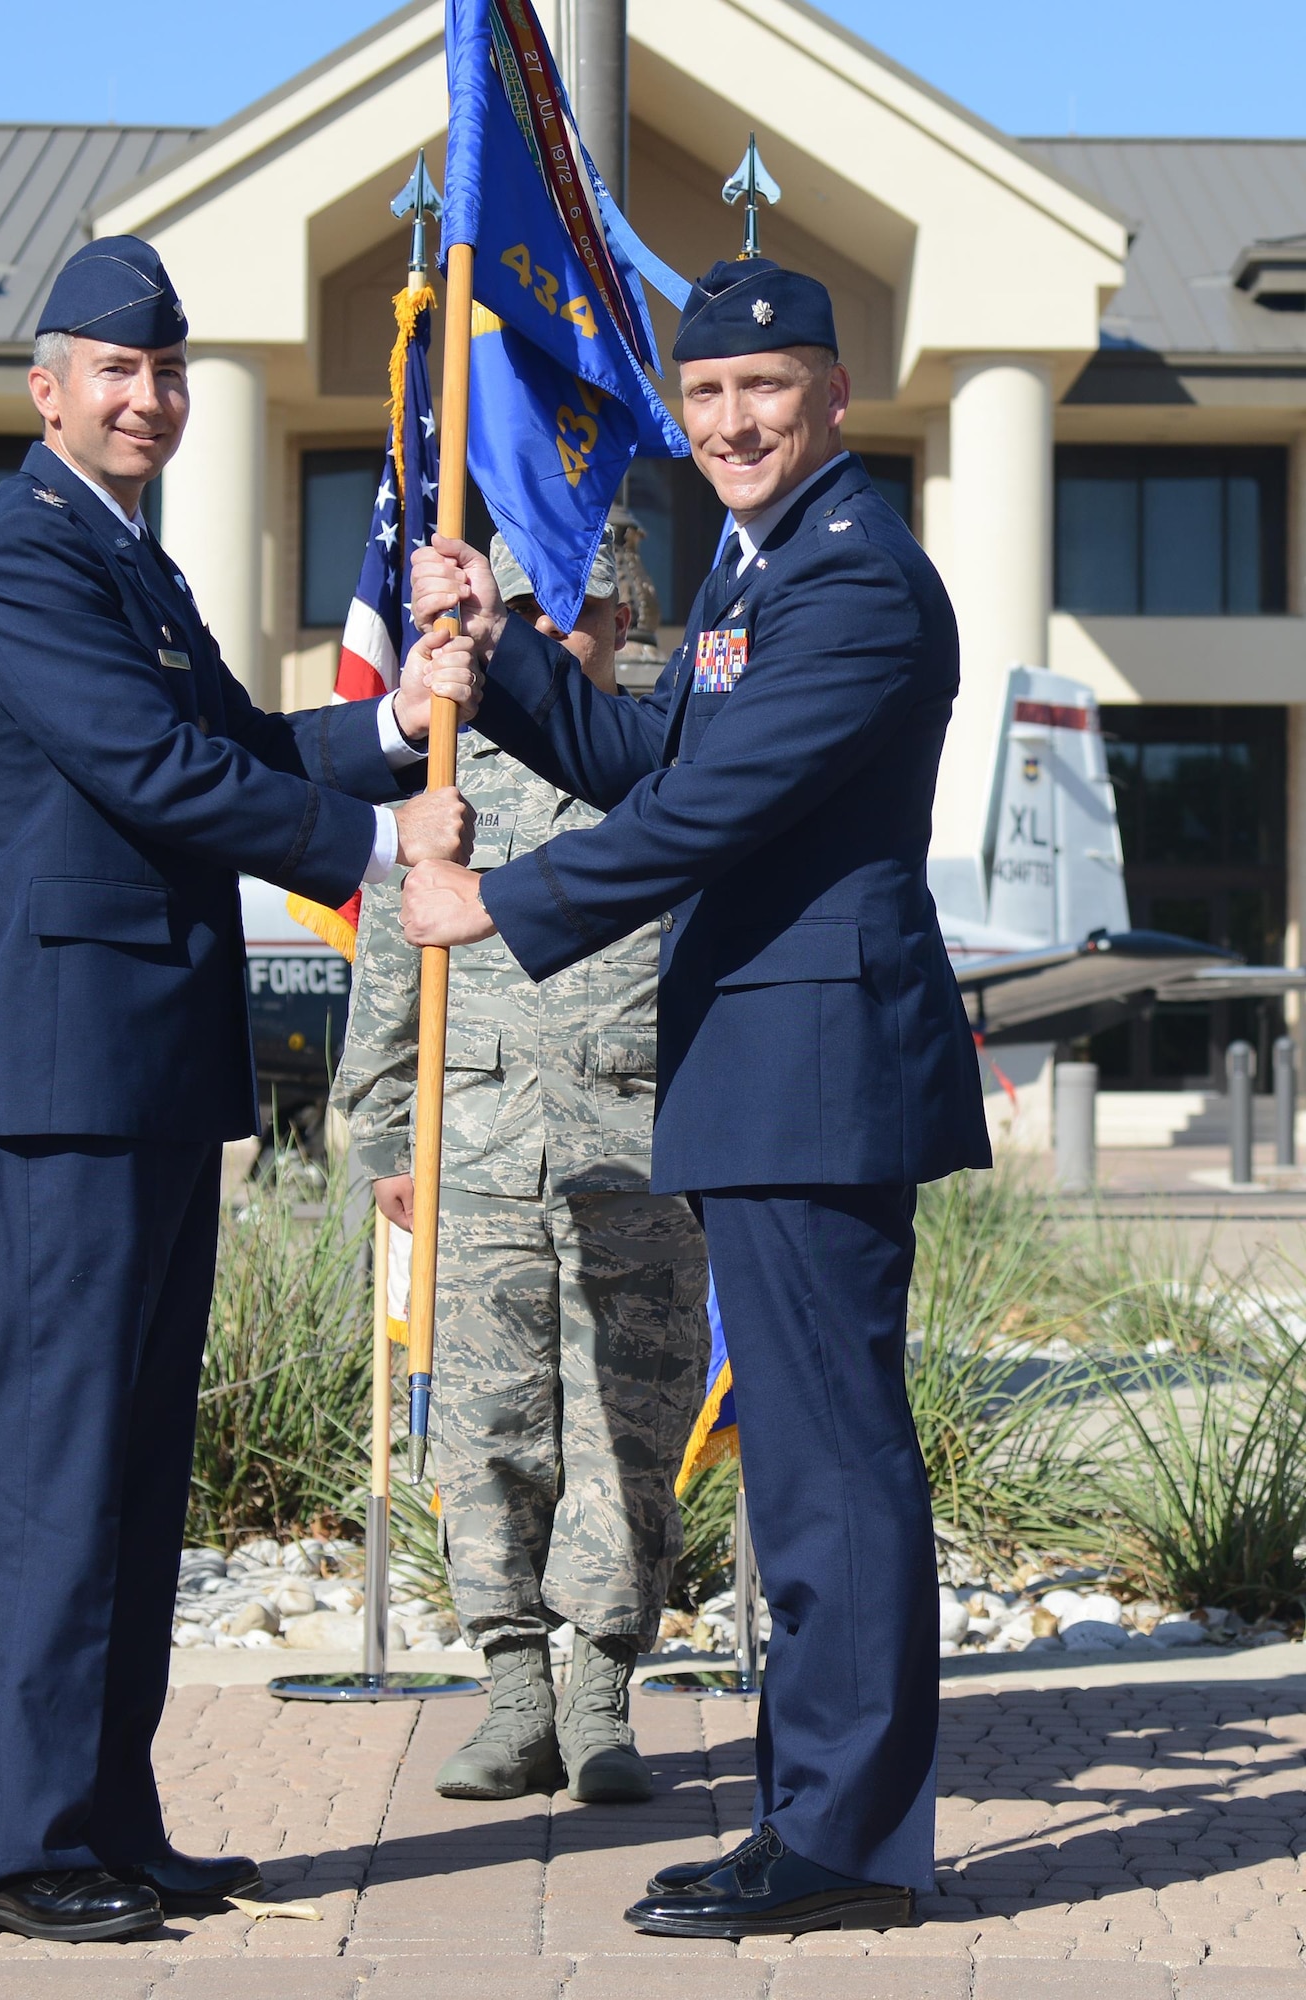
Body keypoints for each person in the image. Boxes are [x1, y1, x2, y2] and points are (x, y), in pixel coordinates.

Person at [402, 256, 991, 1939]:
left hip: (815, 1074)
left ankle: (853, 1842)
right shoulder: (763, 571)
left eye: (768, 391)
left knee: (833, 1469)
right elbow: (650, 757)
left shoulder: (859, 580)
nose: (733, 421)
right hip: (764, 1068)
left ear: (833, 398)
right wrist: (502, 653)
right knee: (804, 1464)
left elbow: (704, 821)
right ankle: (816, 1812)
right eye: (711, 396)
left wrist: (497, 906)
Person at [0, 234, 480, 1945]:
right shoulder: (21, 561)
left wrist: (405, 729)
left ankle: (110, 1819)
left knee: (134, 1464)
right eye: (119, 371)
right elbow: (151, 772)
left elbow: (236, 739)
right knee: (56, 1466)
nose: (151, 397)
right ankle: (19, 1848)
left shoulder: (133, 566)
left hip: (149, 1072)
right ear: (51, 390)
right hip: (58, 1079)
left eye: (166, 373)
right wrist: (385, 839)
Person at [332, 527, 708, 1807]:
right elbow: (386, 995)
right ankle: (511, 1698)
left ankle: (603, 1699)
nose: (550, 636)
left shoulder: (662, 775)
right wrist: (387, 1145)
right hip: (476, 1165)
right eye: (527, 611)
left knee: (627, 1431)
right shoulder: (446, 776)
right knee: (484, 1436)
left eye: (577, 612)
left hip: (639, 1163)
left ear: (621, 615)